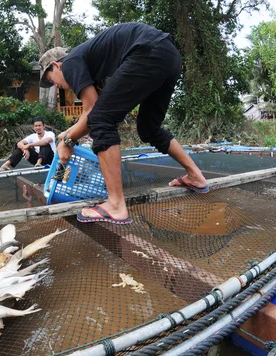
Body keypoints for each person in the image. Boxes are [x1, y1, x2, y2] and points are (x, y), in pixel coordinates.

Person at [39, 22, 209, 225]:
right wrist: (68, 133)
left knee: (102, 120)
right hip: (169, 56)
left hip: (148, 50)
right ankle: (196, 176)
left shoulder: (71, 62)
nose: (55, 86)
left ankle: (116, 206)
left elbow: (94, 113)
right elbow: (90, 111)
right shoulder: (88, 64)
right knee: (149, 129)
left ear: (57, 65)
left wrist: (68, 141)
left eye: (51, 79)